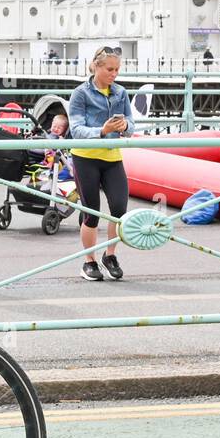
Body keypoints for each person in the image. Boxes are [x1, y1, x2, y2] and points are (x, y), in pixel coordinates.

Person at [67, 46, 134, 281]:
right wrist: (102, 131)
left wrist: (125, 127)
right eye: (109, 69)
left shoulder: (121, 93)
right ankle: (89, 260)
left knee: (119, 209)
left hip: (112, 157)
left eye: (117, 69)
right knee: (91, 212)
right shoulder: (80, 94)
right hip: (85, 157)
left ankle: (110, 254)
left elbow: (132, 124)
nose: (114, 74)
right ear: (96, 66)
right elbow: (75, 129)